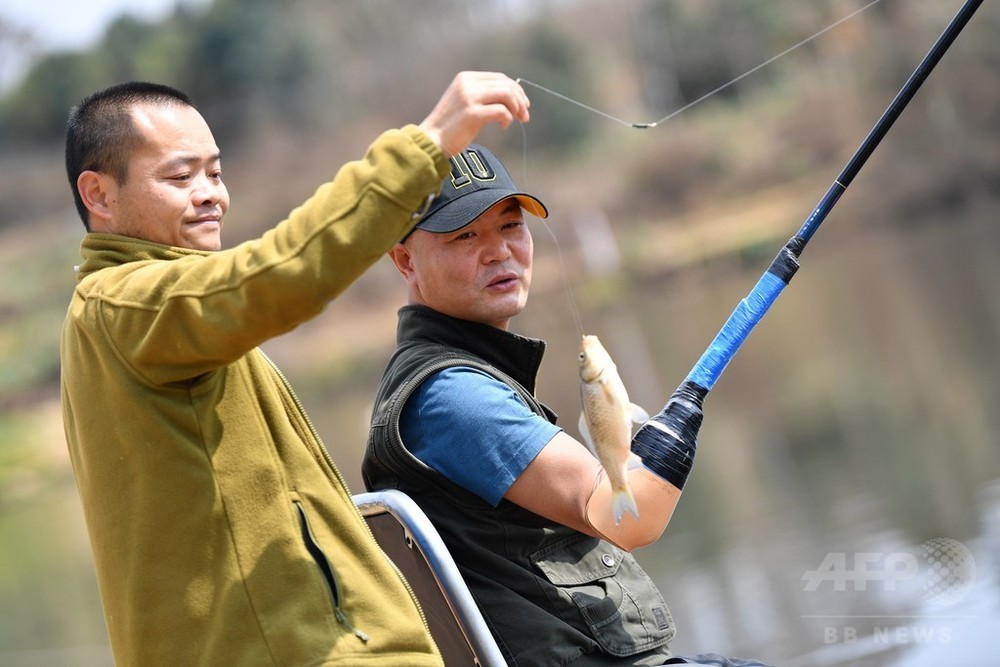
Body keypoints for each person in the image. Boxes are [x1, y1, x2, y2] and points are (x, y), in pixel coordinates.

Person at [60, 73, 531, 666]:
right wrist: (428, 145)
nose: (210, 194)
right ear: (98, 195)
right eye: (181, 177)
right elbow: (282, 273)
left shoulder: (139, 311)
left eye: (215, 172)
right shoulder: (130, 305)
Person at [364, 144, 771, 666]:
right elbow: (629, 519)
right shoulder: (451, 399)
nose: (497, 252)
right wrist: (672, 437)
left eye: (511, 226)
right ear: (405, 260)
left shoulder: (452, 377)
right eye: (465, 235)